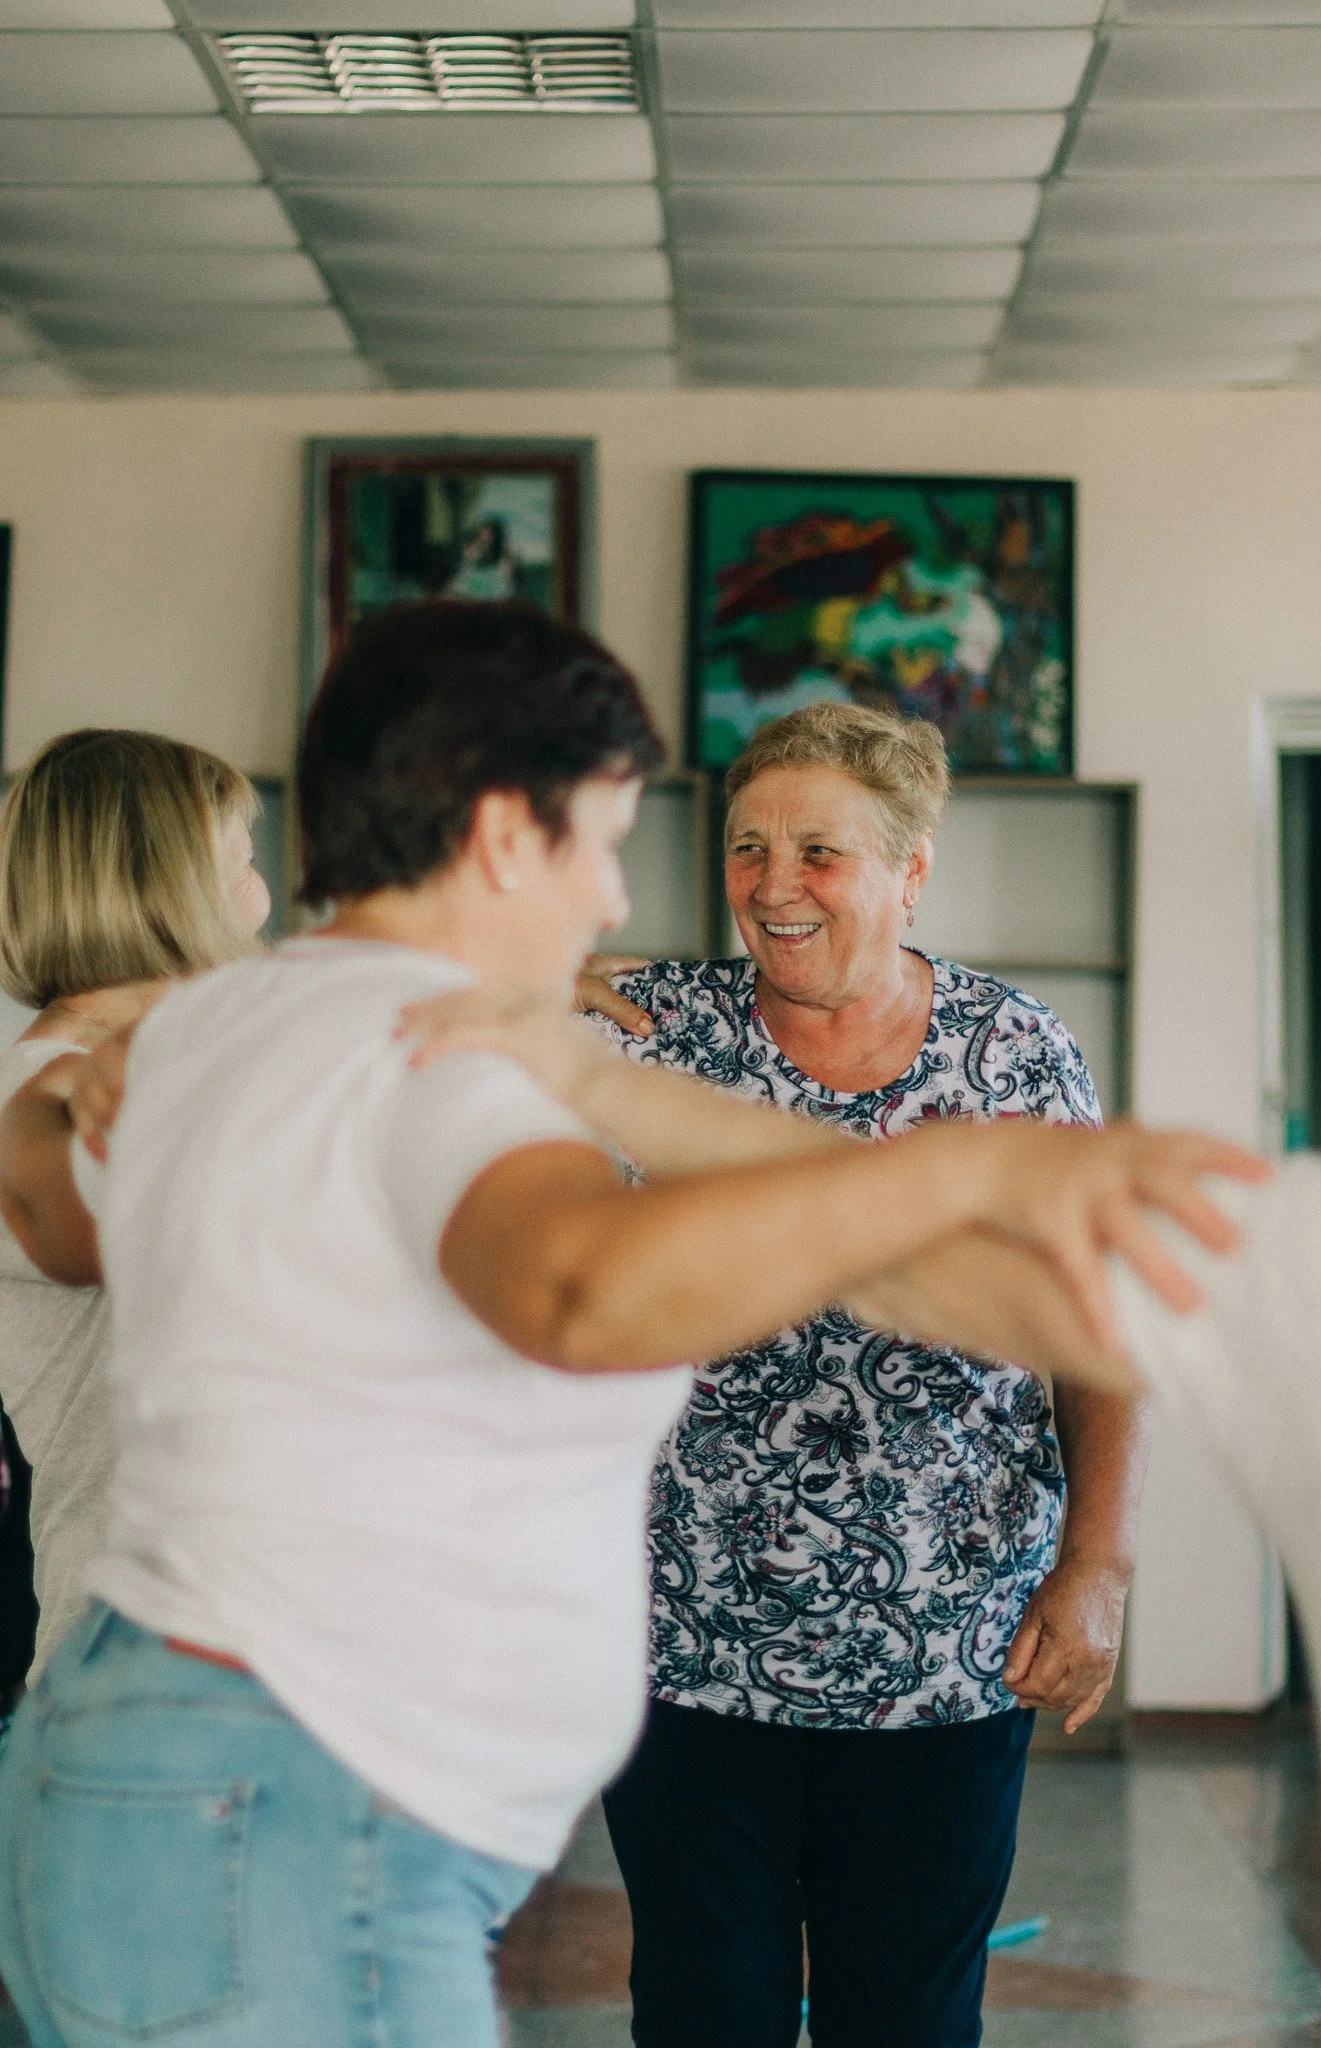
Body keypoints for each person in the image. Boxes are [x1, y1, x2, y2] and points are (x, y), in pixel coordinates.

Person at [0, 602, 1255, 2048]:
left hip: (249, 1780)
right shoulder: (414, 1055)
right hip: (282, 1795)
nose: (615, 902)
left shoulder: (297, 1026)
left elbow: (90, 1206)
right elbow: (586, 1289)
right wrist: (959, 1178)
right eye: (599, 843)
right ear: (502, 836)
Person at [409, 699, 1145, 2048]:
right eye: (749, 848)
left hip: (945, 1642)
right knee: (703, 2011)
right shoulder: (649, 1025)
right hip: (684, 1641)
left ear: (912, 867)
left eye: (820, 851)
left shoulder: (1012, 1050)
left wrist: (1096, 1558)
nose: (773, 885)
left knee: (909, 2018)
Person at [0, 729, 269, 1680]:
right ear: (175, 886)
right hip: (157, 1679)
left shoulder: (188, 1073)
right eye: (244, 859)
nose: (261, 897)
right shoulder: (49, 1091)